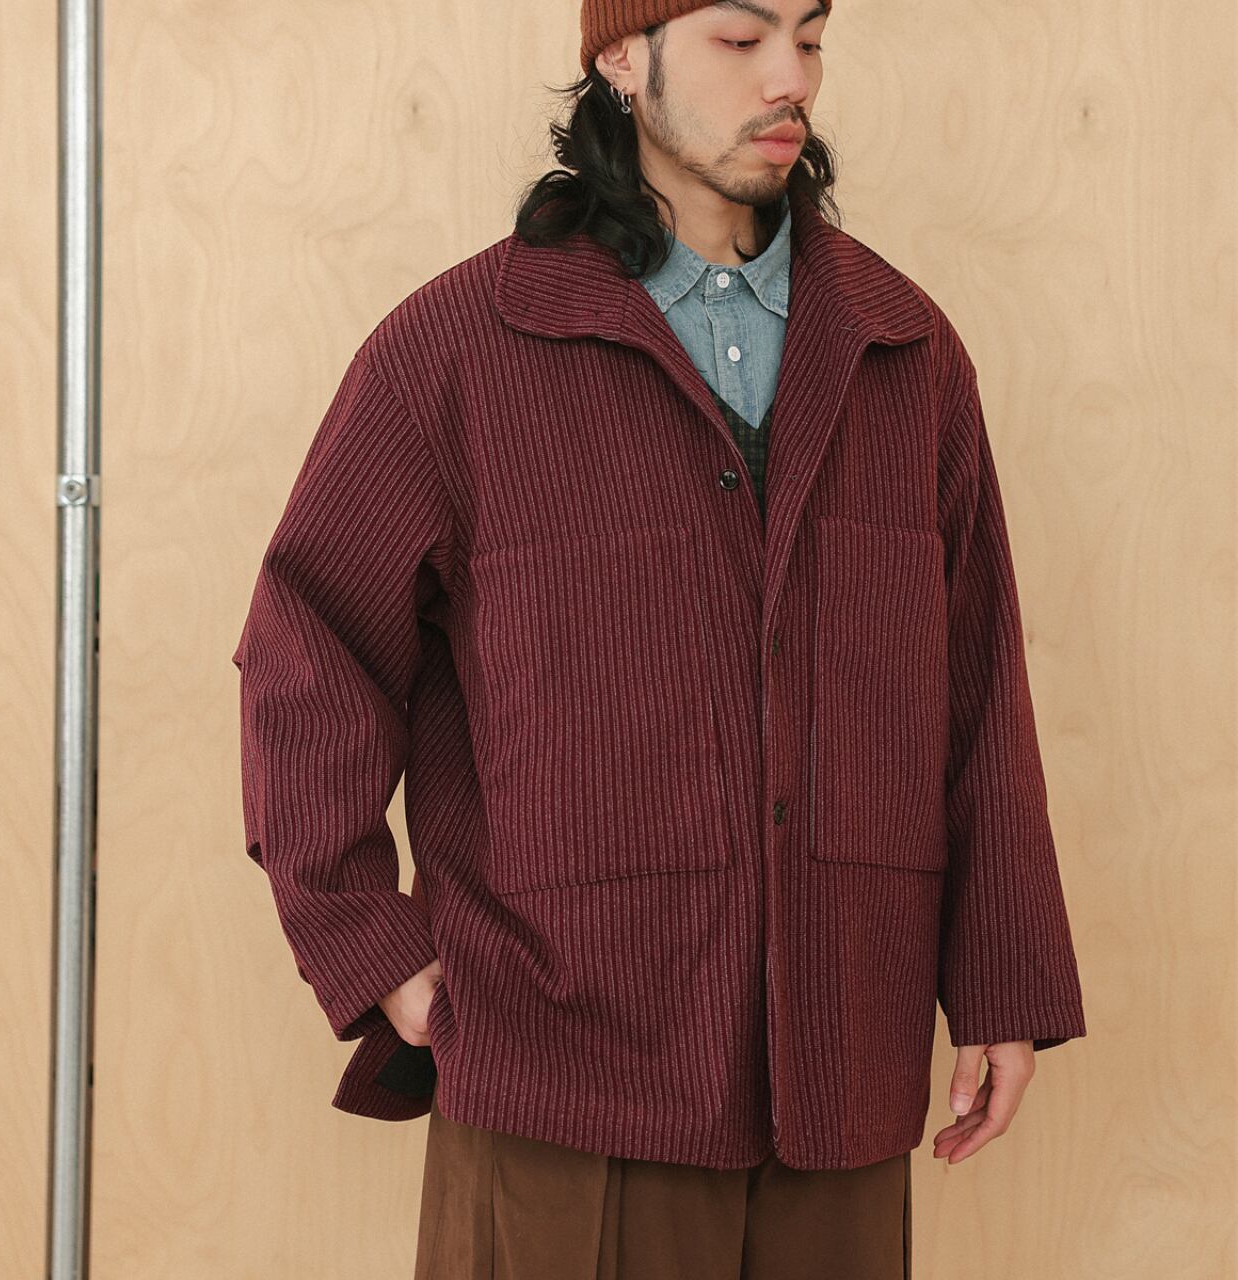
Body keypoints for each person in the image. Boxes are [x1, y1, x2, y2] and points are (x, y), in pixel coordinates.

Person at [230, 0, 1087, 1274]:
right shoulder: (454, 351)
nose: (790, 78)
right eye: (741, 40)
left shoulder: (902, 352)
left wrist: (1001, 981)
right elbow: (310, 651)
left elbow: (973, 690)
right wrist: (376, 950)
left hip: (839, 1077)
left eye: (809, 38)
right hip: (560, 1084)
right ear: (622, 59)